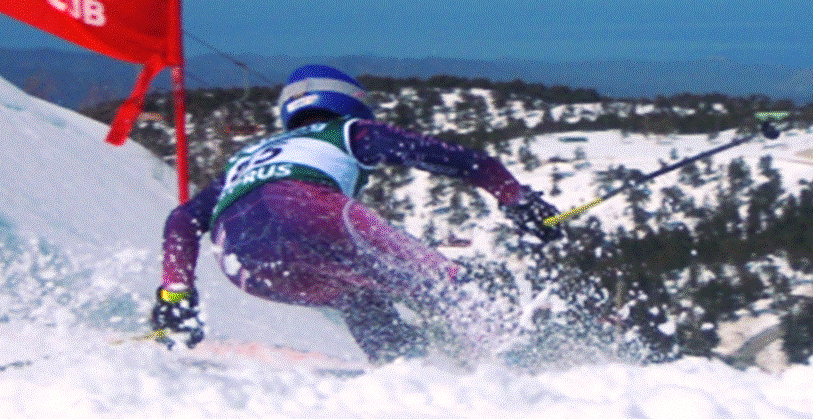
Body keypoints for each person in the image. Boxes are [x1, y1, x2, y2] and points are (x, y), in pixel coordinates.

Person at [150, 65, 562, 363]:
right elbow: (459, 159)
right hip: (305, 209)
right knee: (444, 282)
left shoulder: (244, 159)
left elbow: (182, 220)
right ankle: (518, 362)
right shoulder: (350, 131)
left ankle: (410, 370)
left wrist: (177, 296)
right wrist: (515, 199)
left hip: (242, 259)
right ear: (352, 105)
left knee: (359, 295)